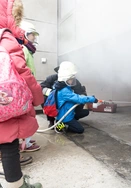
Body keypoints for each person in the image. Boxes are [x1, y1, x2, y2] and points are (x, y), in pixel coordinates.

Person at [0, 0, 43, 187]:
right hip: (5, 101)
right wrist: (37, 96)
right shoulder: (5, 37)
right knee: (9, 144)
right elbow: (22, 70)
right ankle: (16, 185)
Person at [54, 61, 98, 133]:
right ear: (65, 79)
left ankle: (60, 123)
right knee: (80, 130)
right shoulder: (64, 91)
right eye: (70, 79)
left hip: (65, 113)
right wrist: (92, 99)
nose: (72, 81)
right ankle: (64, 125)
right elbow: (78, 99)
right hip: (66, 116)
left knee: (85, 112)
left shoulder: (62, 87)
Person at [19, 21, 40, 152]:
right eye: (32, 34)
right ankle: (26, 144)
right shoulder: (24, 50)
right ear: (25, 34)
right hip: (26, 89)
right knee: (28, 116)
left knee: (28, 116)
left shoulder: (27, 50)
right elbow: (23, 70)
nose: (34, 37)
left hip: (27, 88)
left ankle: (26, 140)